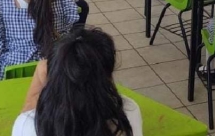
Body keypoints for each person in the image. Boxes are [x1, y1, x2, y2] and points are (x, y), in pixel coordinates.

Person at [12, 28, 142, 136]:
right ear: (107, 75)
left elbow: (26, 116)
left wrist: (38, 80)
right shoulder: (128, 112)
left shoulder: (29, 124)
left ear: (54, 75)